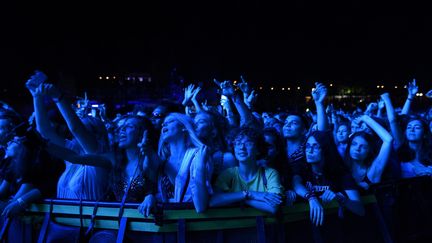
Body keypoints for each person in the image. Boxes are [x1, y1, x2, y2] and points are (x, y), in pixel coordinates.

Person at [210, 127, 284, 214]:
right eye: (237, 143)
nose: (242, 147)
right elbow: (213, 201)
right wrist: (250, 194)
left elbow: (273, 207)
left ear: (258, 149)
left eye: (248, 143)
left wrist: (244, 199)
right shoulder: (228, 174)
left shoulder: (270, 174)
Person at [157, 113, 212, 213]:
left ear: (184, 127)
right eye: (163, 124)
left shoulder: (198, 155)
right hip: (169, 221)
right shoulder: (162, 161)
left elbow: (202, 205)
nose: (164, 125)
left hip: (194, 219)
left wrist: (200, 167)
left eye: (170, 122)